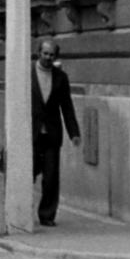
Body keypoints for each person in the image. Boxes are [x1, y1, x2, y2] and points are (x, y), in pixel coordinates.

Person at [32, 37, 80, 226]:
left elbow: (66, 106)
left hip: (52, 134)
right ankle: (21, 210)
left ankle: (47, 215)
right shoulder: (27, 74)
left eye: (52, 55)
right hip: (32, 133)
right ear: (39, 53)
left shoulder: (61, 77)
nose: (48, 58)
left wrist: (74, 132)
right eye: (45, 54)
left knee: (51, 177)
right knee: (30, 172)